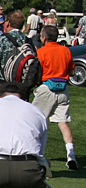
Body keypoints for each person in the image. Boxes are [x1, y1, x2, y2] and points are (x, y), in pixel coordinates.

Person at [33, 25, 78, 170]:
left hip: (47, 87)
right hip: (63, 89)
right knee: (63, 123)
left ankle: (36, 155)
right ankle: (71, 155)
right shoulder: (65, 50)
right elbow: (71, 71)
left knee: (36, 121)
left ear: (44, 37)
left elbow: (37, 71)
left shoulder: (41, 51)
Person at [0, 9, 27, 81]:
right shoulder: (28, 40)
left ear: (8, 23)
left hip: (4, 82)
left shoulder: (3, 39)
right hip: (23, 83)